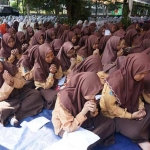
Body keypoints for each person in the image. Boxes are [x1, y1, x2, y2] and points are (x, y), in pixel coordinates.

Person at [99, 53, 150, 150]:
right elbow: (111, 108)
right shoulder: (116, 83)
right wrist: (131, 116)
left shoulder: (136, 79)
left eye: (146, 73)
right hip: (113, 115)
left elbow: (137, 95)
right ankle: (142, 136)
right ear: (132, 69)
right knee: (135, 131)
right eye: (141, 73)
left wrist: (140, 106)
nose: (143, 76)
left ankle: (143, 134)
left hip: (131, 107)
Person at [52, 72, 115, 148]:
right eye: (92, 93)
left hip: (83, 122)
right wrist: (83, 111)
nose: (94, 96)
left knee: (109, 123)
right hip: (66, 128)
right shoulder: (64, 99)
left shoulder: (88, 94)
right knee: (82, 139)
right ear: (84, 88)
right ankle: (87, 143)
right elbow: (69, 127)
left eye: (95, 93)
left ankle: (87, 142)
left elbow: (92, 116)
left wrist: (93, 110)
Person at [0, 61, 44, 126]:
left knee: (36, 94)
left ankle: (13, 115)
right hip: (6, 100)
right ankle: (15, 112)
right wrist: (7, 84)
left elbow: (22, 82)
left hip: (19, 93)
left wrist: (13, 81)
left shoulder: (10, 67)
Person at [34, 43, 63, 109]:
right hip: (43, 87)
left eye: (52, 55)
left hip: (55, 82)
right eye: (47, 57)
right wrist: (51, 74)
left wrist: (55, 72)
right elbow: (46, 86)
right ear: (42, 56)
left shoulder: (55, 60)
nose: (51, 58)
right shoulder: (38, 67)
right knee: (54, 98)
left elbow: (60, 76)